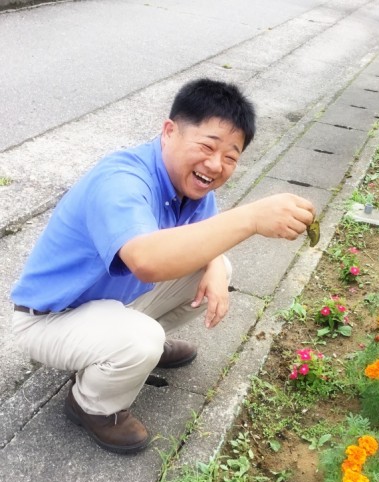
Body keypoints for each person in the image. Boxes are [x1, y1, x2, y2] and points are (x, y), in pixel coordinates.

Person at [11, 78, 315, 454]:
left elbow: (204, 239)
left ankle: (124, 352)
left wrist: (216, 268)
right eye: (207, 146)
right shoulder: (122, 180)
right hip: (48, 320)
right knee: (142, 339)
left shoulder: (192, 184)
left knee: (217, 269)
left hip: (108, 305)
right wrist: (251, 218)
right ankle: (91, 404)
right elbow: (148, 261)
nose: (215, 165)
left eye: (231, 157)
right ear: (169, 131)